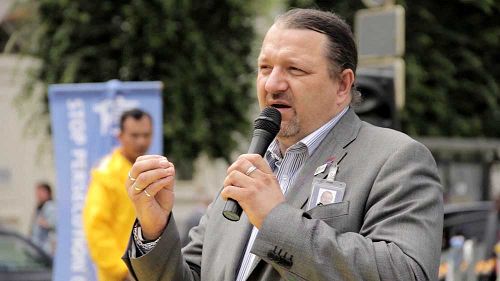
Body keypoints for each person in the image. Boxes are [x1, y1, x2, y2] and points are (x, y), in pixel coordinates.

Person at [122, 8, 443, 281]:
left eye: (295, 69)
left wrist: (275, 219)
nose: (272, 83)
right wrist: (155, 230)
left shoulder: (395, 158)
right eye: (265, 68)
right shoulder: (250, 167)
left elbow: (406, 271)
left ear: (343, 84)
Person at [83, 108, 153, 281]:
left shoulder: (151, 169)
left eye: (146, 135)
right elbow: (96, 227)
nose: (141, 141)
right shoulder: (107, 174)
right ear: (120, 136)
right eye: (135, 135)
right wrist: (122, 271)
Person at [30, 182, 56, 256]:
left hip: (46, 249)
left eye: (40, 192)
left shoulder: (50, 206)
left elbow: (54, 225)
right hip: (39, 247)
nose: (37, 195)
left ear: (47, 192)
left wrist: (44, 223)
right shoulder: (41, 206)